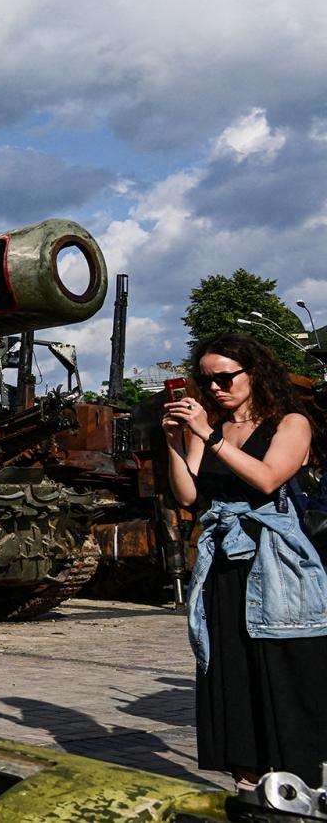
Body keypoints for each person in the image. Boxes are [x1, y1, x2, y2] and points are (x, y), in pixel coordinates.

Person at [163, 331, 327, 787]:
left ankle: (304, 779)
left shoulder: (290, 423)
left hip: (276, 560)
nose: (215, 388)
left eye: (224, 377)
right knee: (231, 668)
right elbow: (188, 495)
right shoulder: (210, 427)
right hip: (223, 565)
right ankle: (248, 780)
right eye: (206, 380)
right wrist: (176, 443)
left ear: (252, 374)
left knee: (285, 661)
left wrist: (208, 437)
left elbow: (268, 479)